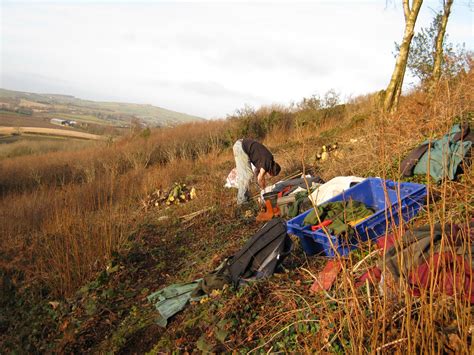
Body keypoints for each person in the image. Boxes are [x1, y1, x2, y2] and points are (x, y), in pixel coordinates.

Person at [233, 138, 281, 205]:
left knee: (248, 175)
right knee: (246, 176)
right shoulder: (267, 162)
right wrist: (263, 189)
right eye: (271, 175)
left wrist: (259, 182)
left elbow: (256, 173)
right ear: (272, 172)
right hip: (241, 147)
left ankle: (246, 198)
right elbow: (260, 178)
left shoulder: (268, 161)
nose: (269, 176)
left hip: (241, 145)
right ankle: (241, 202)